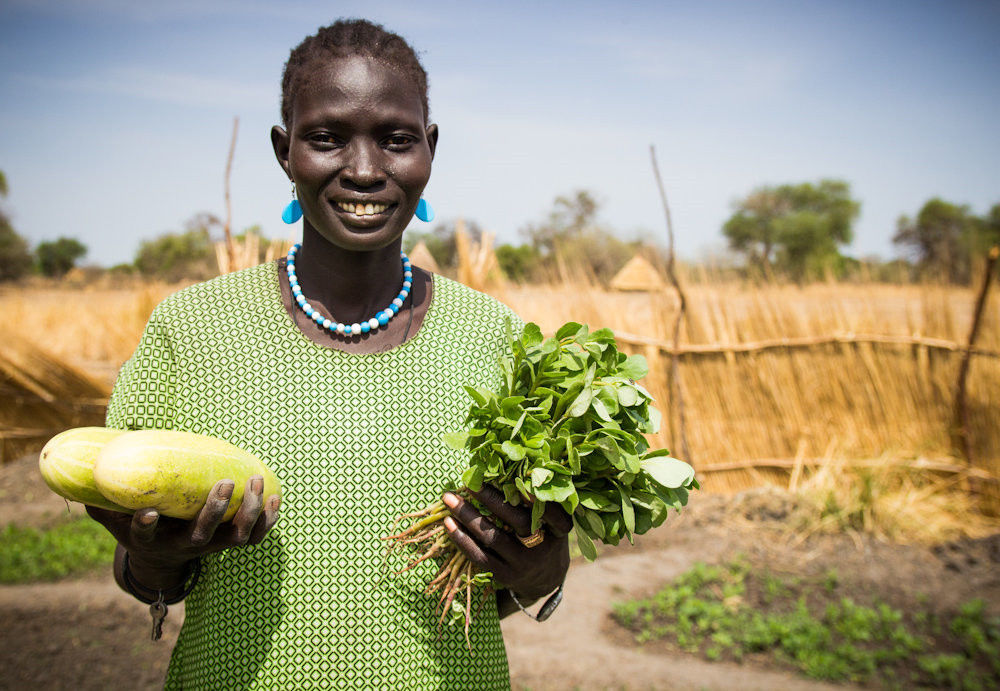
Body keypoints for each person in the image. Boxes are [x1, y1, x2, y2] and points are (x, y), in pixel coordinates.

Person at [86, 18, 571, 689]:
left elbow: (500, 582)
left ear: (430, 148)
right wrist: (153, 560)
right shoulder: (192, 329)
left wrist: (544, 571)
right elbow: (140, 576)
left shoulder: (494, 336)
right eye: (328, 138)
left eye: (396, 140)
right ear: (285, 151)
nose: (365, 170)